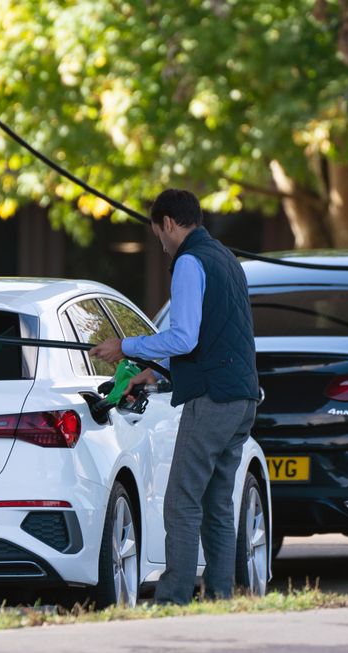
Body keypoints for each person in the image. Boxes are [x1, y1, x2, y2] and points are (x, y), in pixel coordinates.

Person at [90, 188, 259, 604]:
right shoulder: (225, 259)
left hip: (214, 400)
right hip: (242, 398)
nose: (161, 248)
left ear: (168, 223)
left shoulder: (189, 261)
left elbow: (184, 337)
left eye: (158, 236)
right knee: (219, 503)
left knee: (181, 502)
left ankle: (174, 598)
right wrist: (145, 373)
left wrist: (124, 347)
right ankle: (220, 597)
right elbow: (211, 338)